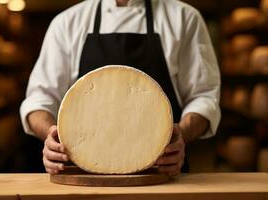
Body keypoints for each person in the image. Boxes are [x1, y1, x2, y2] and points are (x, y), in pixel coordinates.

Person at [20, 0, 220, 175]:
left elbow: (203, 97)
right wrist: (52, 136)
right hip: (83, 180)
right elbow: (39, 99)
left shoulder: (184, 18)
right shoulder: (67, 23)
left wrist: (180, 135)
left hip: (162, 175)